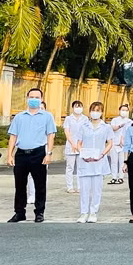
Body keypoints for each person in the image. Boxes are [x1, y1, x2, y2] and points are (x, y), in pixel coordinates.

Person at [7, 88, 56, 223]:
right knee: (20, 185)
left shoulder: (47, 116)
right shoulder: (19, 117)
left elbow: (51, 135)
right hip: (21, 153)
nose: (34, 99)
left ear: (41, 99)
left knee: (40, 185)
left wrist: (49, 153)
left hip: (38, 153)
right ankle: (19, 212)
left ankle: (39, 212)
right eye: (31, 97)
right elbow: (13, 136)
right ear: (27, 98)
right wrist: (9, 155)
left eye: (37, 97)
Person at [76, 102, 112, 223]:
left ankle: (93, 212)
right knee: (84, 188)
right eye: (93, 110)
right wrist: (82, 153)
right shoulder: (83, 126)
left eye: (98, 110)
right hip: (85, 161)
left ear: (102, 112)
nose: (95, 112)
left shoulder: (106, 127)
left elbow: (110, 143)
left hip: (99, 161)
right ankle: (83, 212)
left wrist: (102, 154)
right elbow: (79, 142)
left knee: (97, 189)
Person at [63, 100, 90, 193]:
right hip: (70, 145)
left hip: (81, 145)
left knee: (80, 167)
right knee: (70, 167)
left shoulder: (85, 119)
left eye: (80, 106)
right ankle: (70, 187)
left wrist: (79, 144)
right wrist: (73, 143)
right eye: (76, 106)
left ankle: (80, 186)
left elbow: (86, 132)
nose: (78, 108)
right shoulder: (68, 119)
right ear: (73, 108)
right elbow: (67, 132)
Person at [108, 104, 132, 185]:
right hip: (114, 143)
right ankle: (114, 177)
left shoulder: (130, 121)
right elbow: (113, 128)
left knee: (122, 161)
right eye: (122, 110)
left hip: (124, 145)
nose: (124, 112)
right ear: (119, 110)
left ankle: (121, 177)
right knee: (114, 161)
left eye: (126, 110)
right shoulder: (115, 120)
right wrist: (122, 125)